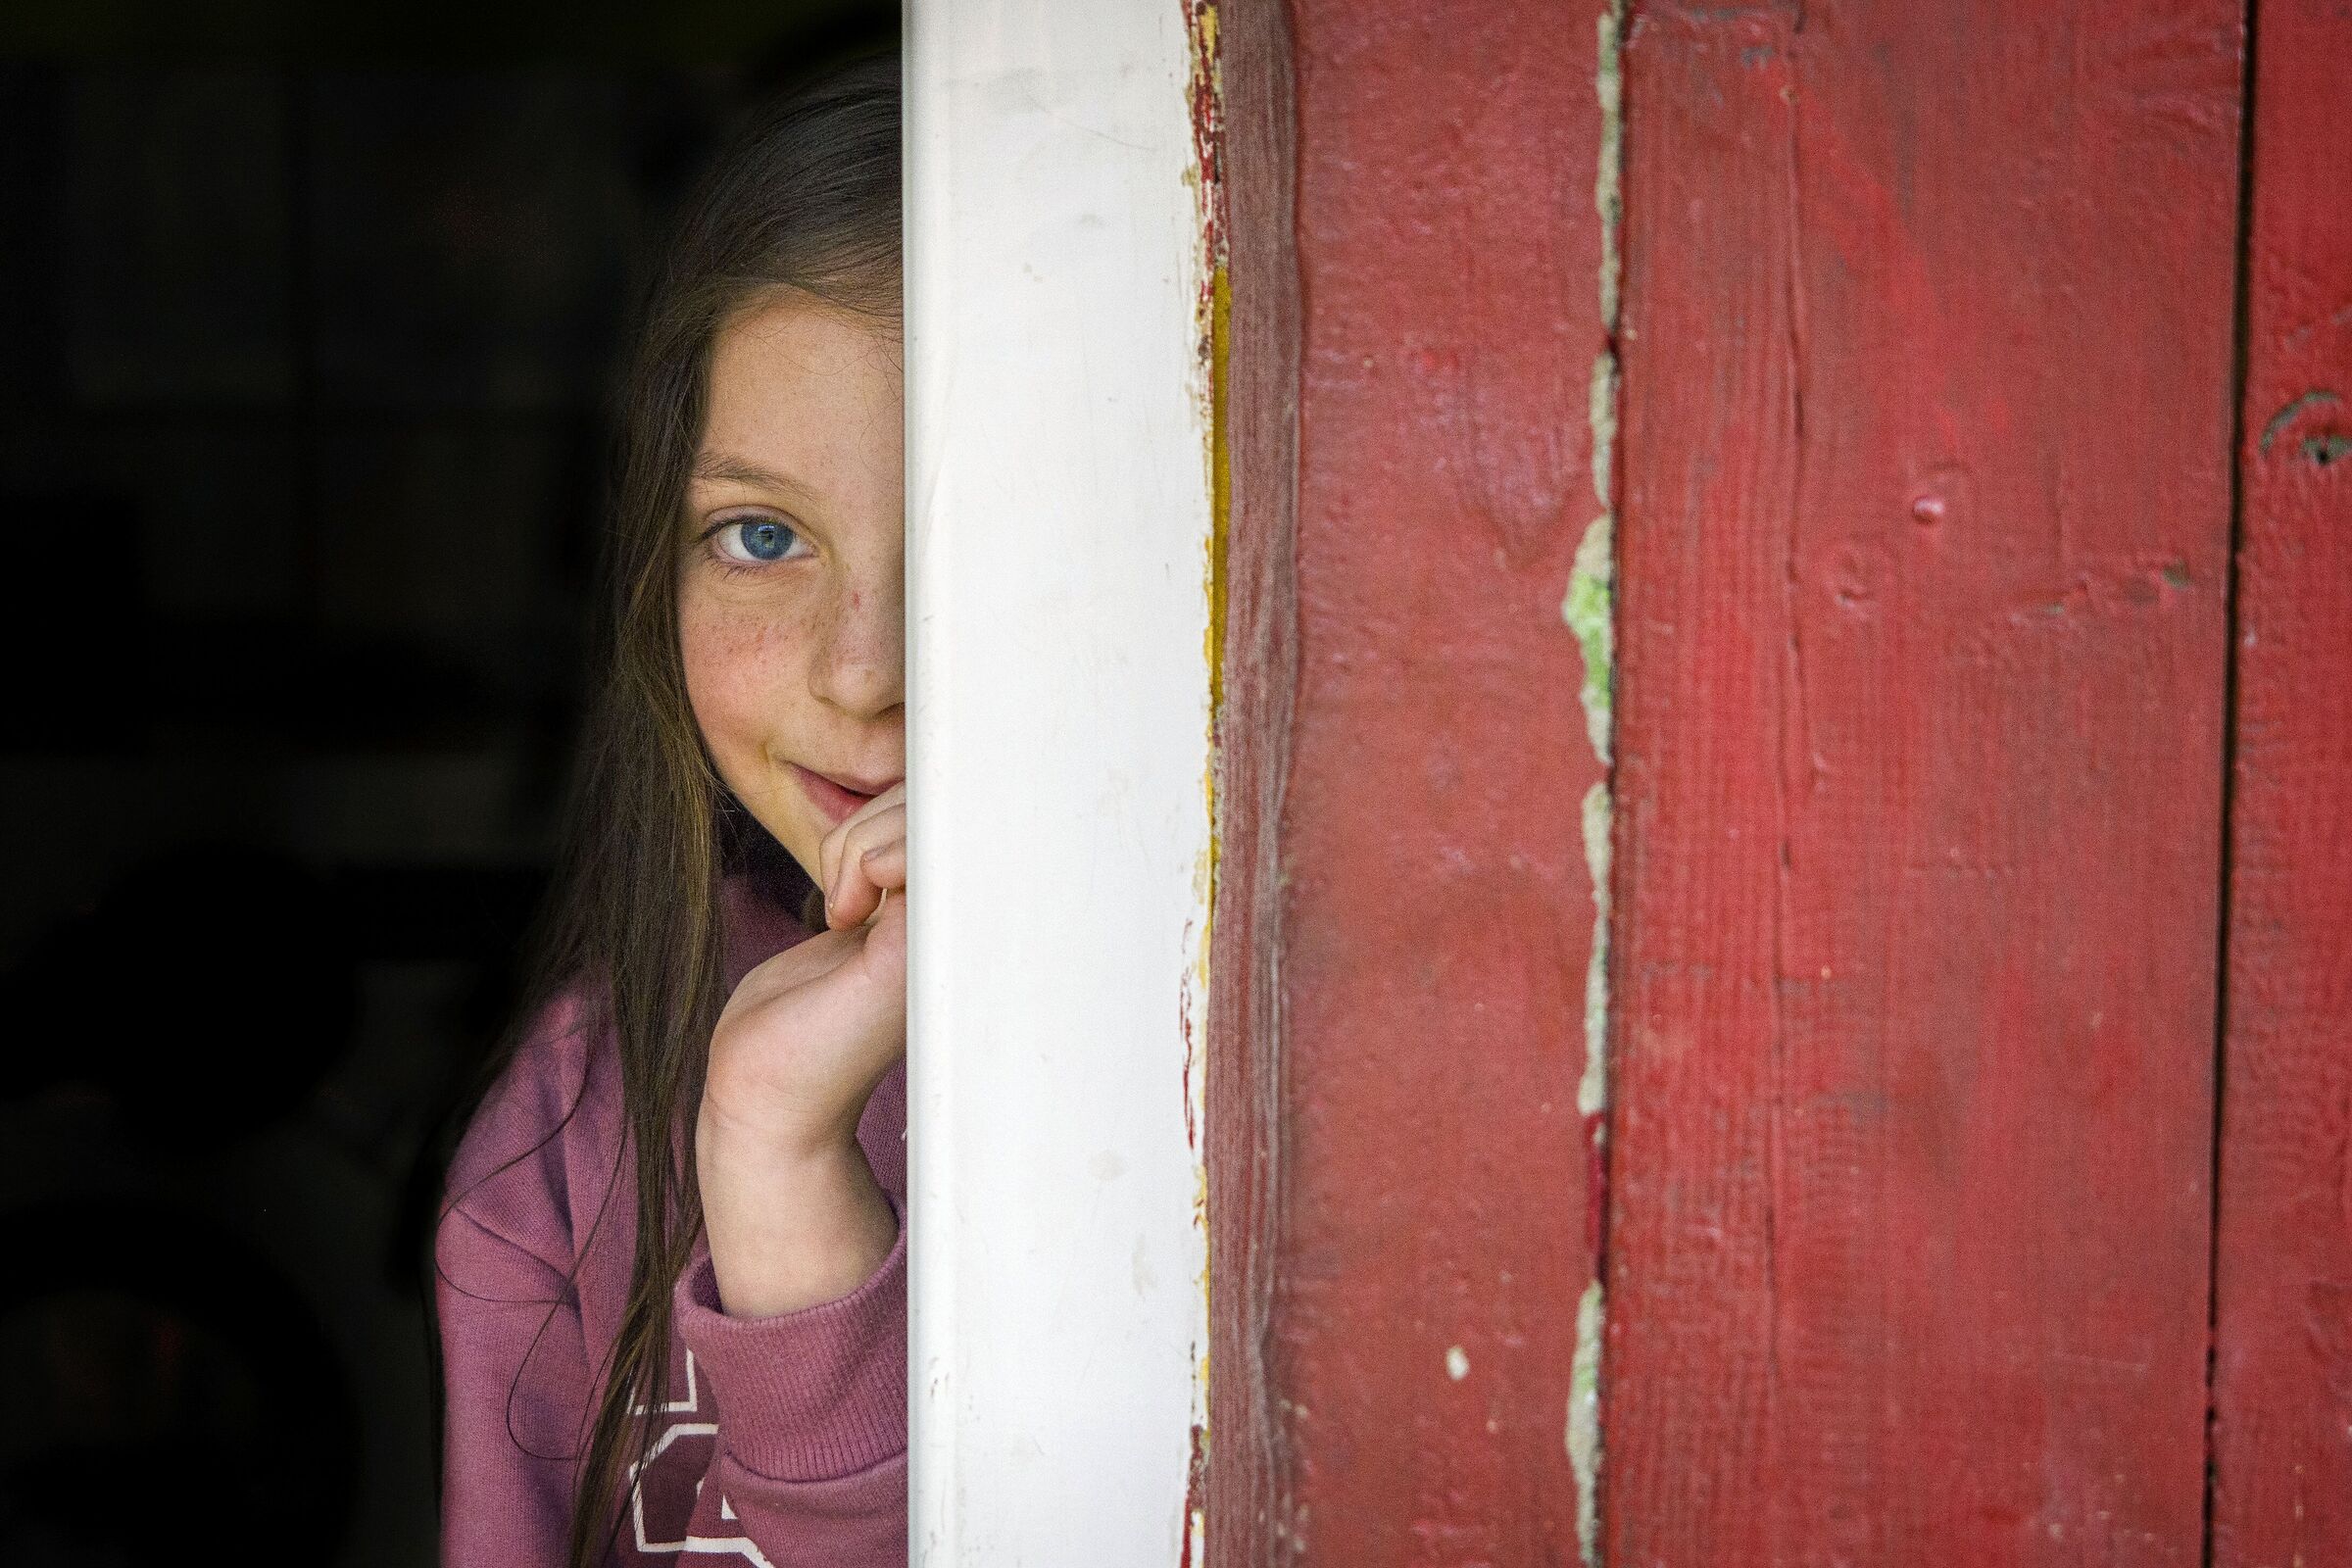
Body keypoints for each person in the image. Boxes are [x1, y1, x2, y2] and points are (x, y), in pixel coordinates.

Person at [434, 58, 910, 1568]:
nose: (865, 672)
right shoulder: (566, 1141)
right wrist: (769, 1147)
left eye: (976, 532)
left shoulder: (1273, 1114)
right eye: (761, 535)